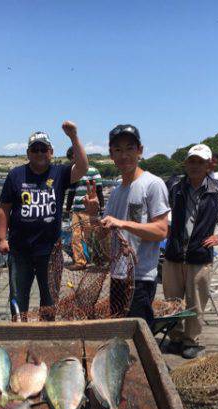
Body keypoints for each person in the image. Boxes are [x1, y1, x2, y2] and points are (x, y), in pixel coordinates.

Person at [0, 121, 88, 320]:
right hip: (20, 250)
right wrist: (2, 238)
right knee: (18, 300)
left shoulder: (60, 173)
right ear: (28, 153)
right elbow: (4, 208)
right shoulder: (15, 175)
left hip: (51, 252)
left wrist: (73, 137)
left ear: (51, 152)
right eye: (35, 149)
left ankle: (46, 334)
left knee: (49, 300)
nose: (39, 153)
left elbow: (82, 167)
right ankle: (20, 334)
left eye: (43, 149)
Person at [163, 144, 218, 359]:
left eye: (200, 162)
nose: (195, 165)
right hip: (173, 255)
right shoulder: (174, 185)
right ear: (185, 163)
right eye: (191, 160)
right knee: (171, 301)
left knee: (196, 303)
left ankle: (192, 340)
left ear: (209, 164)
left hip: (199, 256)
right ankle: (175, 337)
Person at [83, 124, 170, 327]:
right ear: (111, 154)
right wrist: (94, 214)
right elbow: (102, 235)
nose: (124, 155)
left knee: (138, 338)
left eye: (130, 148)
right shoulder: (115, 192)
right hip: (117, 276)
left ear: (140, 150)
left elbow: (161, 231)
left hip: (141, 278)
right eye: (118, 150)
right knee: (119, 334)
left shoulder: (153, 184)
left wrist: (122, 223)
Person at [65, 146, 104, 270]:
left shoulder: (93, 171)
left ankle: (101, 260)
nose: (72, 161)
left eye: (72, 158)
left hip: (90, 209)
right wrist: (68, 208)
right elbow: (71, 192)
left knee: (93, 236)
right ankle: (80, 262)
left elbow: (99, 190)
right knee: (76, 236)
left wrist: (101, 207)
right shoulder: (72, 172)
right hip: (76, 209)